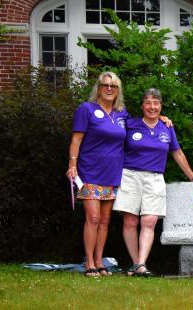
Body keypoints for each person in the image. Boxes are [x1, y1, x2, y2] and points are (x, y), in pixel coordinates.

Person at [113, 88, 193, 277]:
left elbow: (176, 152)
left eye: (156, 103)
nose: (152, 107)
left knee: (149, 220)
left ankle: (141, 264)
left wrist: (192, 176)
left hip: (155, 178)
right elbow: (112, 128)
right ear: (142, 106)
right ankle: (137, 264)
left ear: (161, 106)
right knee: (130, 220)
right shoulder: (131, 123)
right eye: (148, 103)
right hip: (130, 175)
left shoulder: (167, 127)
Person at [66, 71, 128, 277]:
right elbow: (76, 140)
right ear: (98, 88)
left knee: (104, 220)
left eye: (113, 86)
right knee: (92, 218)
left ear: (118, 90)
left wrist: (162, 117)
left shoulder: (122, 114)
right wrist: (72, 165)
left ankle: (100, 261)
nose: (109, 89)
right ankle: (89, 262)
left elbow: (142, 126)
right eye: (105, 85)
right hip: (89, 172)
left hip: (112, 174)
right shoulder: (87, 109)